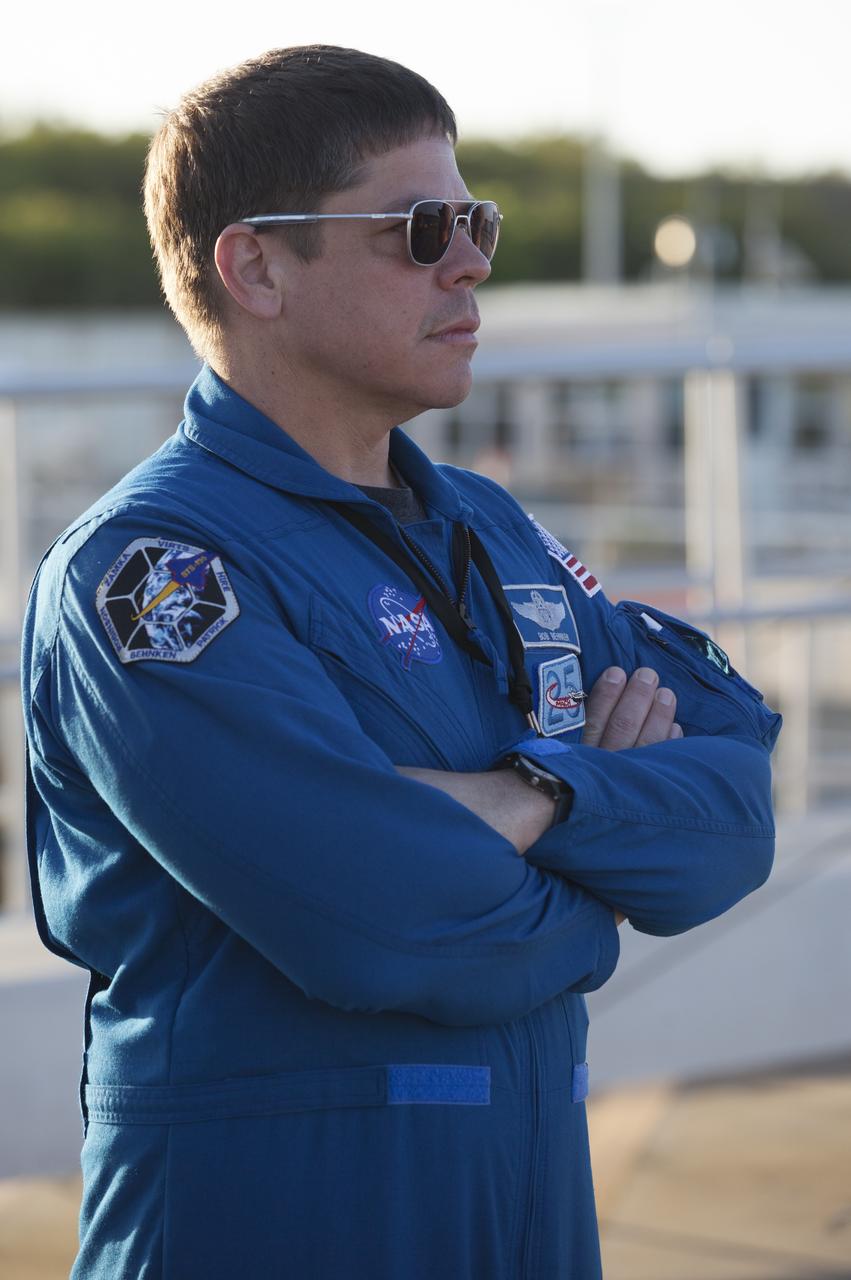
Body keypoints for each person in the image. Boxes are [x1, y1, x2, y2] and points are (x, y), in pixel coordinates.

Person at [20, 45, 781, 1280]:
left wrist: (528, 798)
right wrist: (602, 876)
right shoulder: (151, 574)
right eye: (421, 227)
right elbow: (382, 924)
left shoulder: (487, 526)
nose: (473, 260)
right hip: (271, 1229)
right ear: (255, 265)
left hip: (525, 1218)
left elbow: (733, 809)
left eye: (472, 219)